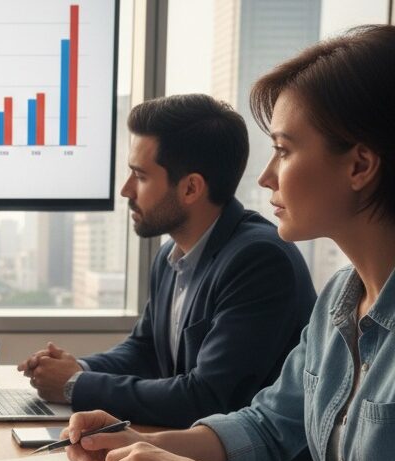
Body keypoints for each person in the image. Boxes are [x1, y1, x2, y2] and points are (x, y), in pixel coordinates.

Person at [62, 25, 395, 461]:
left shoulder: (257, 256)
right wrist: (144, 446)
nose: (266, 177)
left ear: (359, 166)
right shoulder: (340, 297)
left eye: (284, 151)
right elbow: (269, 423)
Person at [18, 94, 316, 428]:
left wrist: (75, 385)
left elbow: (207, 397)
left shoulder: (259, 260)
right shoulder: (170, 255)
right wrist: (76, 369)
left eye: (140, 176)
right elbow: (144, 350)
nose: (126, 191)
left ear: (191, 188)